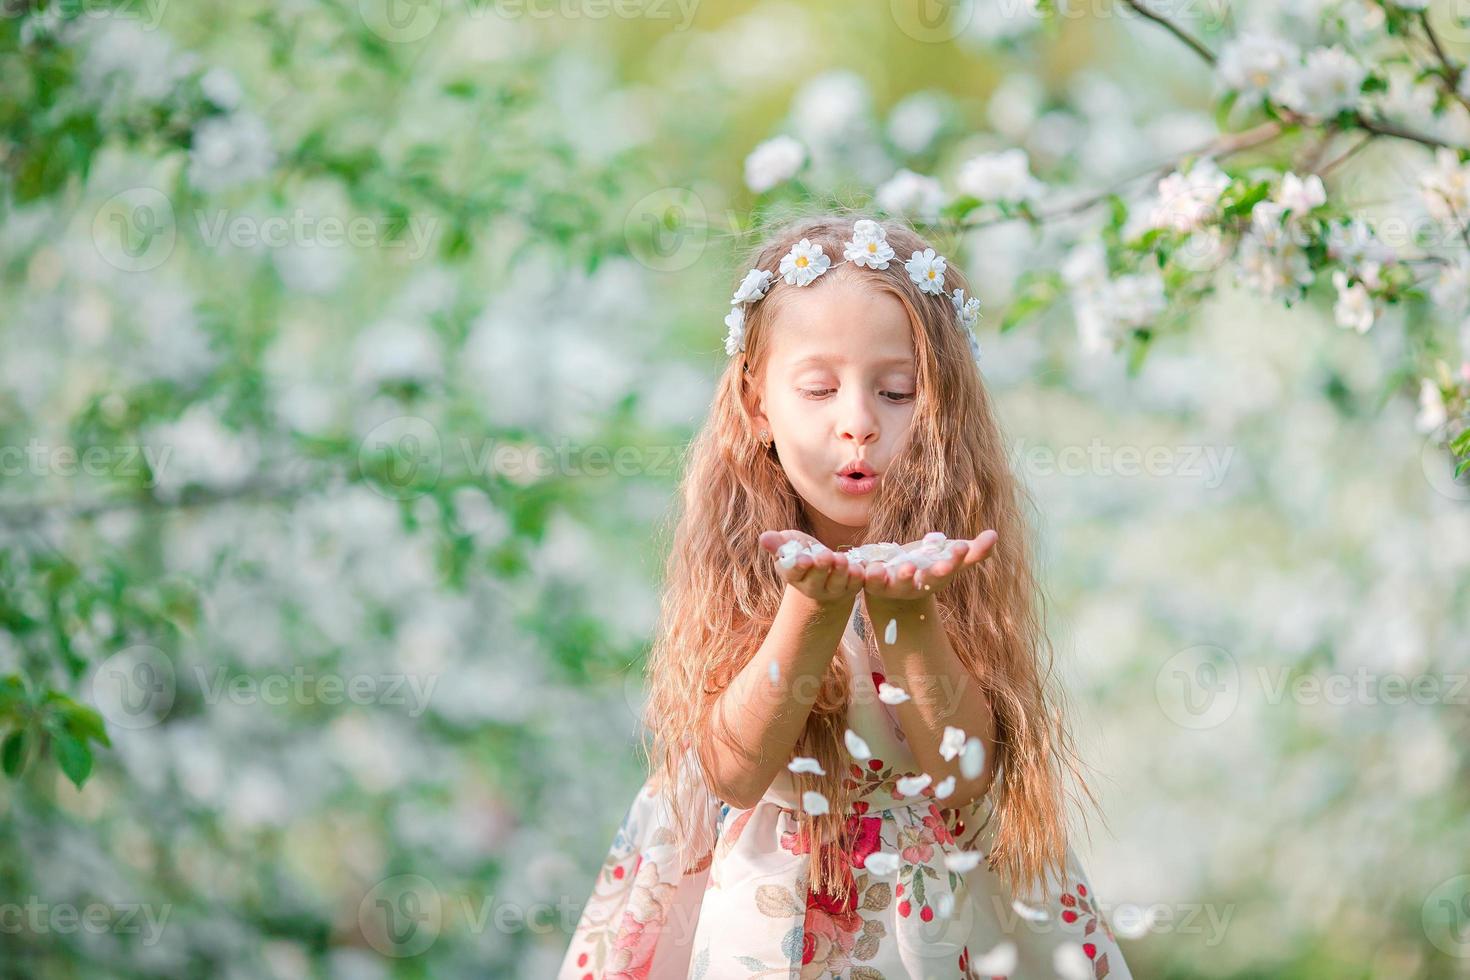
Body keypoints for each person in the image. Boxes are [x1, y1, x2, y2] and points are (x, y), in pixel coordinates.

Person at [557, 213, 1132, 979]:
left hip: (926, 919)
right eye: (819, 389)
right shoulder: (745, 562)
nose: (857, 423)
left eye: (896, 392)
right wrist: (812, 608)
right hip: (767, 922)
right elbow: (731, 772)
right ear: (759, 405)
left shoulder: (951, 566)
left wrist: (907, 615)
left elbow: (961, 777)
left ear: (942, 409)